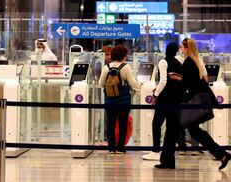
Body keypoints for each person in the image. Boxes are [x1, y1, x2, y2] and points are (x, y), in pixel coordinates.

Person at [155, 38, 231, 170]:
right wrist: (214, 102)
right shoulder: (194, 62)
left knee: (172, 130)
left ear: (187, 48)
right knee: (195, 132)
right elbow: (200, 83)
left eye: (182, 47)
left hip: (188, 103)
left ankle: (167, 161)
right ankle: (222, 155)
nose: (181, 49)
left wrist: (177, 79)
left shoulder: (188, 62)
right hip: (192, 103)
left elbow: (188, 85)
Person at [142, 42, 183, 161]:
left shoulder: (163, 62)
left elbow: (163, 81)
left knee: (156, 124)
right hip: (175, 99)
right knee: (170, 126)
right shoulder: (178, 63)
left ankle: (155, 151)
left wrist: (155, 94)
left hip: (164, 98)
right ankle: (168, 152)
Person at [99, 45, 141, 153]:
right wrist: (141, 85)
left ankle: (111, 147)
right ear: (123, 56)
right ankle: (121, 147)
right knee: (123, 123)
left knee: (110, 124)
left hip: (109, 100)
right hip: (123, 100)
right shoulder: (125, 67)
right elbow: (133, 83)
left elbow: (101, 83)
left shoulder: (106, 67)